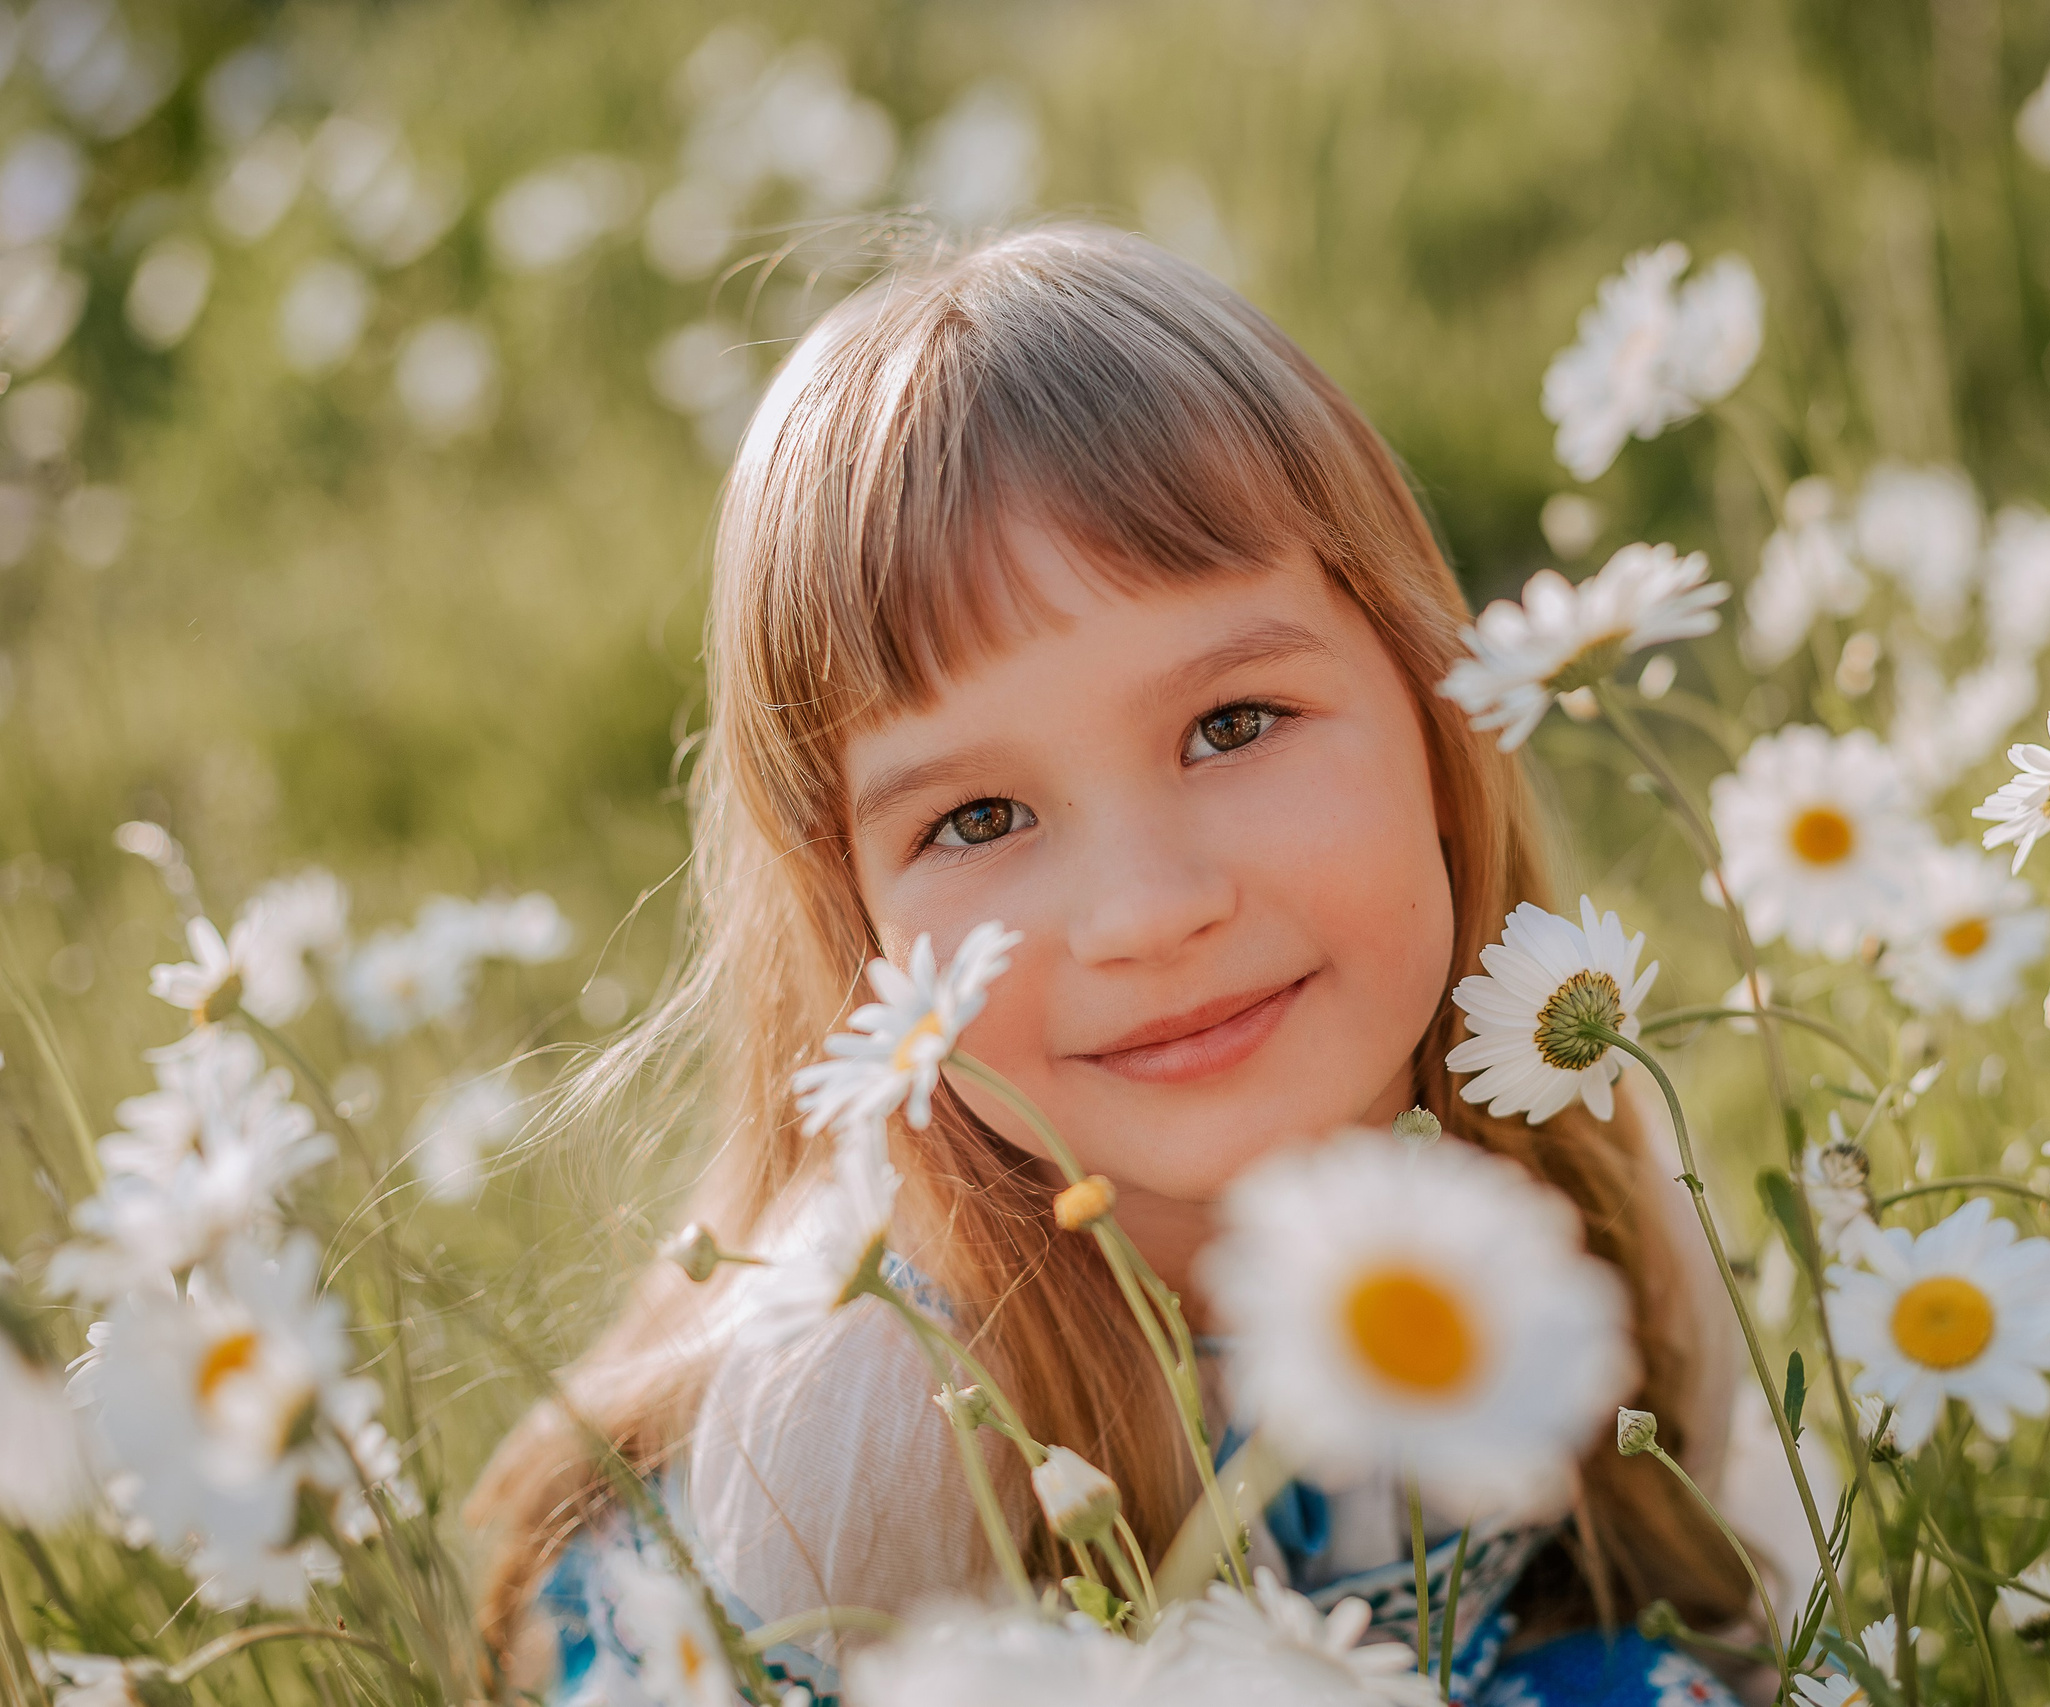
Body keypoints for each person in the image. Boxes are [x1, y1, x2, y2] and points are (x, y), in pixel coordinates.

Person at [469, 224, 1797, 1706]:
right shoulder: (882, 1416)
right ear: (859, 929)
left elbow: (1732, 1608)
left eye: (1232, 725)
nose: (1148, 911)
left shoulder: (1573, 1179)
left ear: (1435, 712)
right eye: (980, 818)